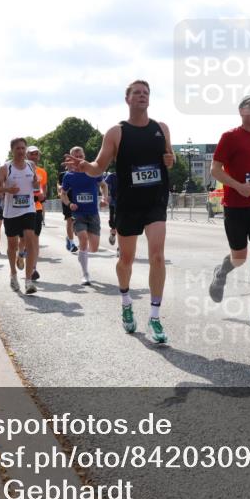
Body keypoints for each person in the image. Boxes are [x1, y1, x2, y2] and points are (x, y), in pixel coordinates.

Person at [66, 79, 175, 343]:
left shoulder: (161, 128)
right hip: (128, 203)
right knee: (126, 259)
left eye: (146, 93)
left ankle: (155, 318)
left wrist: (171, 160)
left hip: (155, 201)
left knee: (157, 255)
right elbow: (99, 166)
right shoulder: (116, 132)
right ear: (127, 99)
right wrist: (85, 167)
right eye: (137, 93)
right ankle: (126, 301)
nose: (142, 96)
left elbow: (169, 160)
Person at [207, 95, 250, 329]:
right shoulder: (230, 137)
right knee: (239, 257)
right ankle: (221, 272)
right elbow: (215, 170)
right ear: (241, 111)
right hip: (235, 207)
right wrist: (238, 186)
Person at [0, 138, 39, 294]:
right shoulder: (6, 168)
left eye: (23, 148)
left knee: (30, 239)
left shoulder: (31, 166)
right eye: (18, 148)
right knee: (12, 245)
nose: (21, 151)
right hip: (11, 212)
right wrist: (8, 190)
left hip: (29, 208)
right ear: (12, 150)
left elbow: (36, 186)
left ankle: (28, 281)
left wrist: (36, 182)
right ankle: (13, 274)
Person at [60, 146, 107, 285]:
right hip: (78, 213)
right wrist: (69, 204)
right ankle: (85, 274)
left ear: (84, 156)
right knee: (83, 239)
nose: (78, 158)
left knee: (94, 248)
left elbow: (103, 185)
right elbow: (62, 193)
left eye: (80, 156)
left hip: (93, 214)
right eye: (75, 156)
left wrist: (104, 198)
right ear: (70, 159)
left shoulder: (93, 171)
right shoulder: (69, 176)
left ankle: (82, 255)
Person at [16, 146, 48, 280]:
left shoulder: (42, 172)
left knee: (34, 239)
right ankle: (20, 254)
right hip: (21, 208)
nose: (34, 156)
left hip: (36, 208)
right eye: (31, 154)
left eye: (36, 154)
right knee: (23, 239)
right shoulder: (18, 169)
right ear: (26, 155)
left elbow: (43, 189)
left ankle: (33, 268)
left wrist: (43, 196)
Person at [104, 170, 119, 247]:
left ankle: (120, 248)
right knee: (114, 224)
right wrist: (107, 195)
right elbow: (104, 185)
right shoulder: (112, 176)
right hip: (113, 203)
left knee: (122, 226)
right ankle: (113, 234)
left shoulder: (129, 174)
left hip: (126, 204)